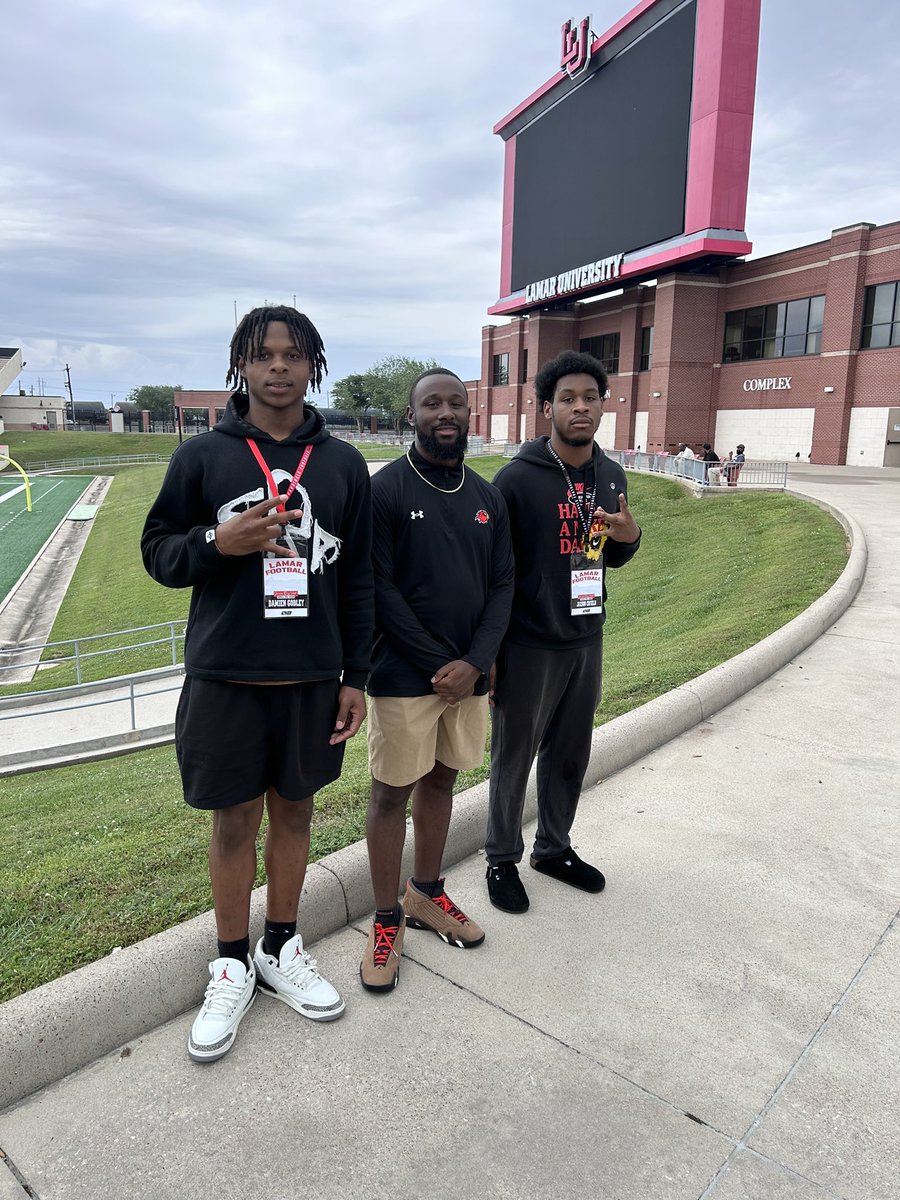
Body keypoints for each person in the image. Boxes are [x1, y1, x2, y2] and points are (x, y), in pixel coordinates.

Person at [141, 305, 373, 1061]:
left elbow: (362, 578)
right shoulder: (202, 457)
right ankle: (233, 960)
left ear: (315, 365)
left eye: (294, 355)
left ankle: (281, 946)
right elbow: (159, 553)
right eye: (264, 355)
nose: (279, 367)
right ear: (242, 365)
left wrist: (356, 677)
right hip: (226, 674)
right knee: (235, 821)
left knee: (297, 815)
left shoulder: (340, 464)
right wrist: (218, 540)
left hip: (311, 677)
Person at [360, 368, 514, 992]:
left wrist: (476, 663)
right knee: (390, 793)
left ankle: (427, 893)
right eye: (432, 404)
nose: (445, 413)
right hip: (403, 676)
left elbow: (503, 583)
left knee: (443, 780)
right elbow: (378, 587)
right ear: (411, 414)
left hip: (469, 676)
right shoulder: (386, 491)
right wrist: (437, 665)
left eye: (455, 403)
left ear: (470, 412)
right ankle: (387, 918)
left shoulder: (488, 496)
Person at [484, 350, 641, 913]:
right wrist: (494, 653)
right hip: (528, 642)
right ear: (546, 407)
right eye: (568, 399)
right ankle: (500, 858)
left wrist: (630, 532)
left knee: (571, 751)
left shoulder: (611, 474)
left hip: (585, 636)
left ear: (603, 405)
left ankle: (553, 848)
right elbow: (496, 574)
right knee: (513, 754)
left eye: (590, 398)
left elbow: (612, 557)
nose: (581, 408)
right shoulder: (516, 480)